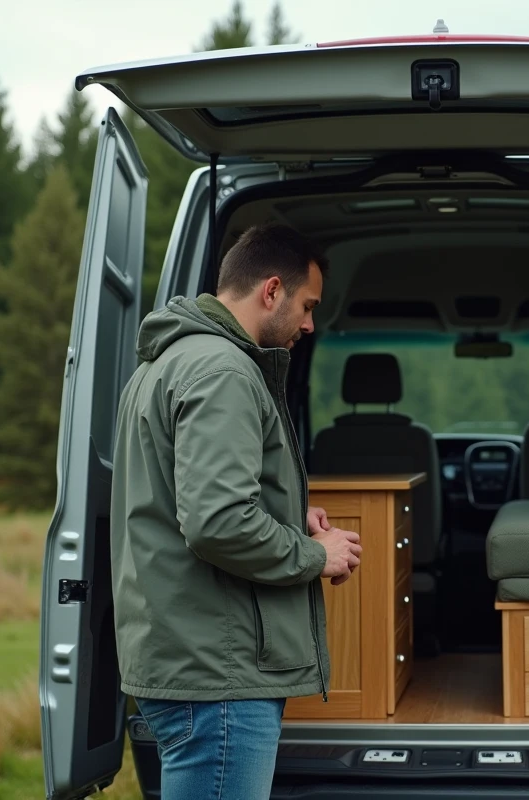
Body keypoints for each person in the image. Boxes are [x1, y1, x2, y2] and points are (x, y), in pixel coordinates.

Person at [109, 223, 362, 800]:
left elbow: (187, 500)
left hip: (191, 657)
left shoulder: (170, 361)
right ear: (271, 290)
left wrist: (289, 516)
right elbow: (218, 522)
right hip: (216, 677)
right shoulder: (224, 372)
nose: (309, 325)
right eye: (307, 305)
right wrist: (312, 554)